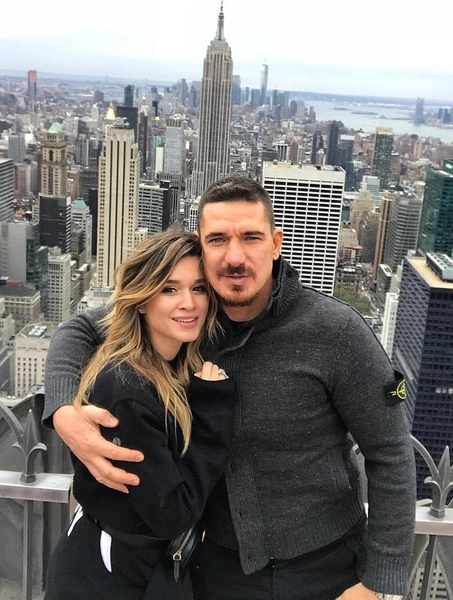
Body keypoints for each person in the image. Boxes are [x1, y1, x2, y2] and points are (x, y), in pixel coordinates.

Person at [44, 177, 416, 600]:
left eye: (251, 237)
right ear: (201, 248)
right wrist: (63, 408)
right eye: (218, 239)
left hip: (325, 569)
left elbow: (390, 452)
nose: (235, 257)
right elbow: (80, 329)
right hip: (209, 569)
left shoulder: (336, 332)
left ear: (275, 243)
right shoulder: (189, 315)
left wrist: (377, 582)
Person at [44, 229, 234, 600]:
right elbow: (173, 513)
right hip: (110, 575)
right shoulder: (128, 390)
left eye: (198, 288)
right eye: (169, 289)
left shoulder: (173, 363)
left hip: (132, 565)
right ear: (142, 299)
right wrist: (212, 413)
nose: (189, 303)